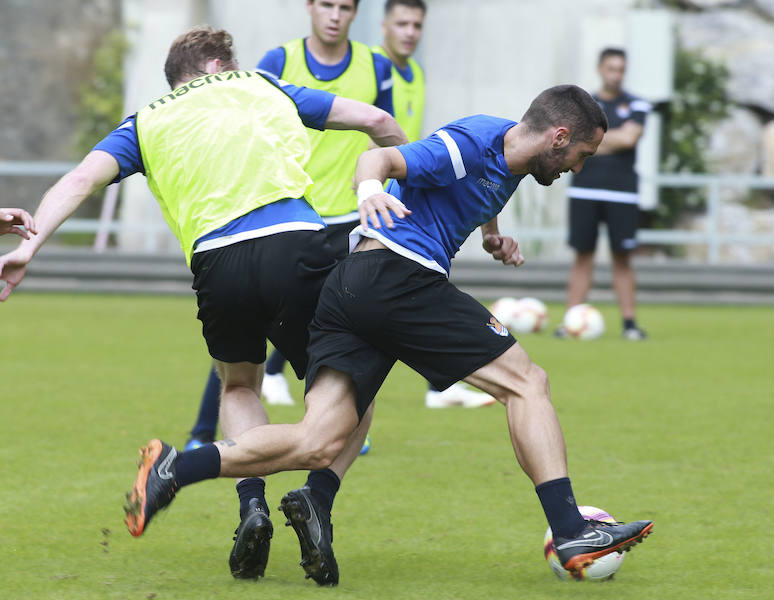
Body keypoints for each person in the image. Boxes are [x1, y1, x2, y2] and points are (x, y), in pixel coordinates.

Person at [123, 84, 654, 585]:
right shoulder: (470, 141)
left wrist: (493, 236)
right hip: (398, 276)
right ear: (558, 137)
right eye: (582, 154)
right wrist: (372, 189)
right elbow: (380, 158)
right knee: (526, 382)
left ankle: (177, 466)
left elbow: (484, 187)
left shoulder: (508, 151)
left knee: (318, 440)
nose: (578, 168)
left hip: (354, 287)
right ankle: (570, 531)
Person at [0, 25, 406, 581]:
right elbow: (378, 122)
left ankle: (252, 507)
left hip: (217, 265)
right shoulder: (264, 84)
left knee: (238, 384)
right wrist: (405, 193)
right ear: (218, 66)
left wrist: (31, 245)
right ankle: (316, 497)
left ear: (177, 78)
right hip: (296, 247)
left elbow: (80, 180)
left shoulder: (146, 120)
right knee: (351, 387)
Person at [184, 0, 402, 452]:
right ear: (310, 7)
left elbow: (383, 128)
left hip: (348, 216)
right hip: (287, 215)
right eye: (327, 4)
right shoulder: (278, 62)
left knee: (347, 329)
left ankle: (337, 426)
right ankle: (202, 433)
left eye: (345, 7)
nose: (335, 14)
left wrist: (389, 193)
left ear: (355, 13)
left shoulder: (375, 66)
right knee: (243, 332)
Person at [372, 0, 494, 409]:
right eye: (401, 23)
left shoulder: (415, 74)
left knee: (416, 288)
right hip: (353, 197)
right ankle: (273, 380)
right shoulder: (370, 67)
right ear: (384, 24)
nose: (409, 31)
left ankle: (437, 386)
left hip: (394, 200)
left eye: (416, 25)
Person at [562, 47, 651, 341]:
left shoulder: (637, 103)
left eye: (621, 69)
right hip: (585, 190)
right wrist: (610, 140)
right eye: (611, 68)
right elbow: (574, 140)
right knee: (582, 256)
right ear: (600, 69)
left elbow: (630, 138)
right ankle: (570, 321)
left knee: (623, 258)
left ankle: (629, 325)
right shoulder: (584, 104)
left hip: (622, 193)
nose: (616, 74)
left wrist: (593, 140)